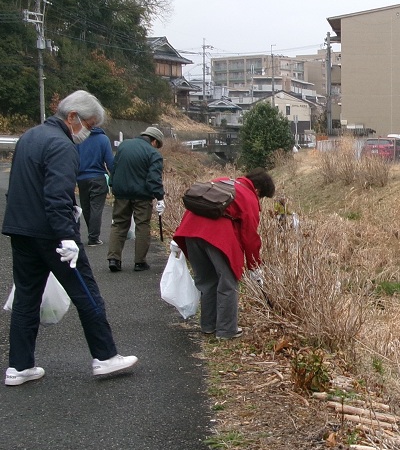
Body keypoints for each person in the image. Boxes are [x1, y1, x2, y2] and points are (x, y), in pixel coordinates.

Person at [0, 90, 137, 385]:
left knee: (26, 296)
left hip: (20, 228)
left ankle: (20, 366)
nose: (87, 132)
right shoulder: (61, 145)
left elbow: (19, 185)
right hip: (52, 234)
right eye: (87, 124)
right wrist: (67, 237)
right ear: (72, 117)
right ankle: (105, 356)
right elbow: (58, 195)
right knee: (85, 292)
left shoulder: (30, 136)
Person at [173, 168, 276, 340]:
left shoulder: (221, 181)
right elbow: (250, 235)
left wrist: (176, 237)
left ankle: (208, 327)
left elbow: (197, 203)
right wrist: (254, 266)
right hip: (218, 238)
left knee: (206, 281)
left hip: (190, 232)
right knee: (228, 283)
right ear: (258, 190)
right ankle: (227, 331)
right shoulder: (248, 196)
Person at [108, 126, 165, 272]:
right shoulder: (153, 154)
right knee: (142, 226)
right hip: (142, 196)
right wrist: (160, 197)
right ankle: (140, 262)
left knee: (119, 224)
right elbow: (154, 179)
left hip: (121, 193)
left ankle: (114, 259)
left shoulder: (124, 146)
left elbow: (114, 167)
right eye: (158, 145)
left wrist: (112, 184)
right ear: (154, 141)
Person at [76, 120, 114, 246]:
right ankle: (94, 238)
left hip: (81, 178)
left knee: (86, 207)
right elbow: (110, 162)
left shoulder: (79, 139)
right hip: (98, 177)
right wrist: (114, 177)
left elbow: (73, 158)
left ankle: (92, 233)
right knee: (96, 208)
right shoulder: (103, 139)